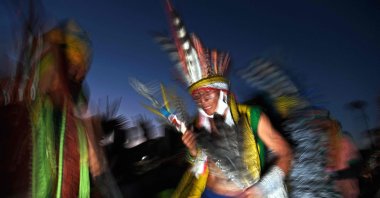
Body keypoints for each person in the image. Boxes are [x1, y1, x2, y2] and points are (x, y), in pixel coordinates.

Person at [157, 2, 292, 197]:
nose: (202, 101)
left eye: (207, 94)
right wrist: (193, 152)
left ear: (222, 92)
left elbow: (285, 153)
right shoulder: (199, 124)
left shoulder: (253, 116)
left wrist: (264, 187)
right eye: (197, 97)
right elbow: (198, 164)